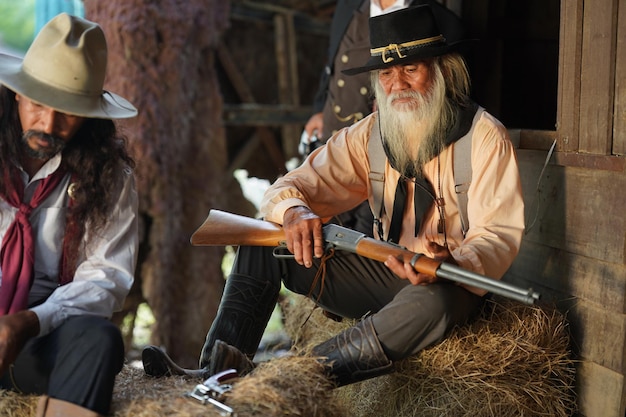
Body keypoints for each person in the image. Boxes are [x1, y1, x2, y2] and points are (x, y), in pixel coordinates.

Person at [142, 5, 524, 389]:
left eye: (411, 69)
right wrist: (294, 212)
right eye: (387, 73)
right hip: (384, 273)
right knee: (263, 242)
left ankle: (294, 379)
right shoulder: (368, 134)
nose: (398, 84)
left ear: (442, 70)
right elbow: (289, 187)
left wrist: (451, 260)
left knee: (434, 304)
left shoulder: (485, 137)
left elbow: (498, 234)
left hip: (449, 286)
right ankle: (215, 374)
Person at [0, 13, 139, 417]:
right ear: (16, 96)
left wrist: (27, 322)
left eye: (68, 112)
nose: (49, 124)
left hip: (37, 338)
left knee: (98, 340)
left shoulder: (108, 176)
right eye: (38, 105)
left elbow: (105, 279)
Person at [302, 0, 466, 236]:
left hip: (387, 151)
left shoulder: (438, 19)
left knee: (366, 237)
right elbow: (333, 61)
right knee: (326, 230)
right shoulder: (349, 6)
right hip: (336, 133)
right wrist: (320, 107)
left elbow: (445, 92)